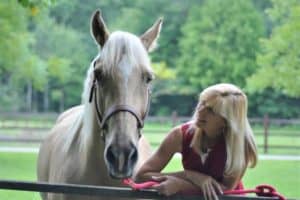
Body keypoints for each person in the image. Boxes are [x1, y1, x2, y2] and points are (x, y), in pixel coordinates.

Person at [135, 83, 257, 200]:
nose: (200, 111)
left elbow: (224, 190)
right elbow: (141, 176)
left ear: (226, 121)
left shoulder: (241, 144)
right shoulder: (180, 135)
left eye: (211, 110)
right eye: (202, 103)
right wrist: (190, 175)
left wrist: (181, 185)